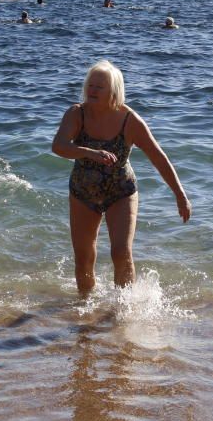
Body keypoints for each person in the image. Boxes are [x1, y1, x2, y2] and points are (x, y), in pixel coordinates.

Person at [51, 60, 191, 294]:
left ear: (114, 91)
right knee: (84, 257)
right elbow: (58, 146)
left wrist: (180, 195)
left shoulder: (129, 120)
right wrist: (89, 152)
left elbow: (159, 157)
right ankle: (85, 311)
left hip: (121, 191)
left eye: (99, 87)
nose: (92, 91)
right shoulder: (77, 114)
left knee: (120, 252)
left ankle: (123, 312)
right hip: (82, 191)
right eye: (90, 85)